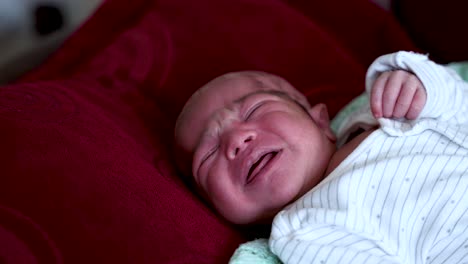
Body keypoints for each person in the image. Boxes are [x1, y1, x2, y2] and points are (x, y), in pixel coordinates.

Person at [174, 51, 468, 263]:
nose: (236, 141)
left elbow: (458, 98)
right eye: (208, 155)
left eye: (254, 110)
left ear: (319, 121)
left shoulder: (379, 110)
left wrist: (419, 85)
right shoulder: (304, 234)